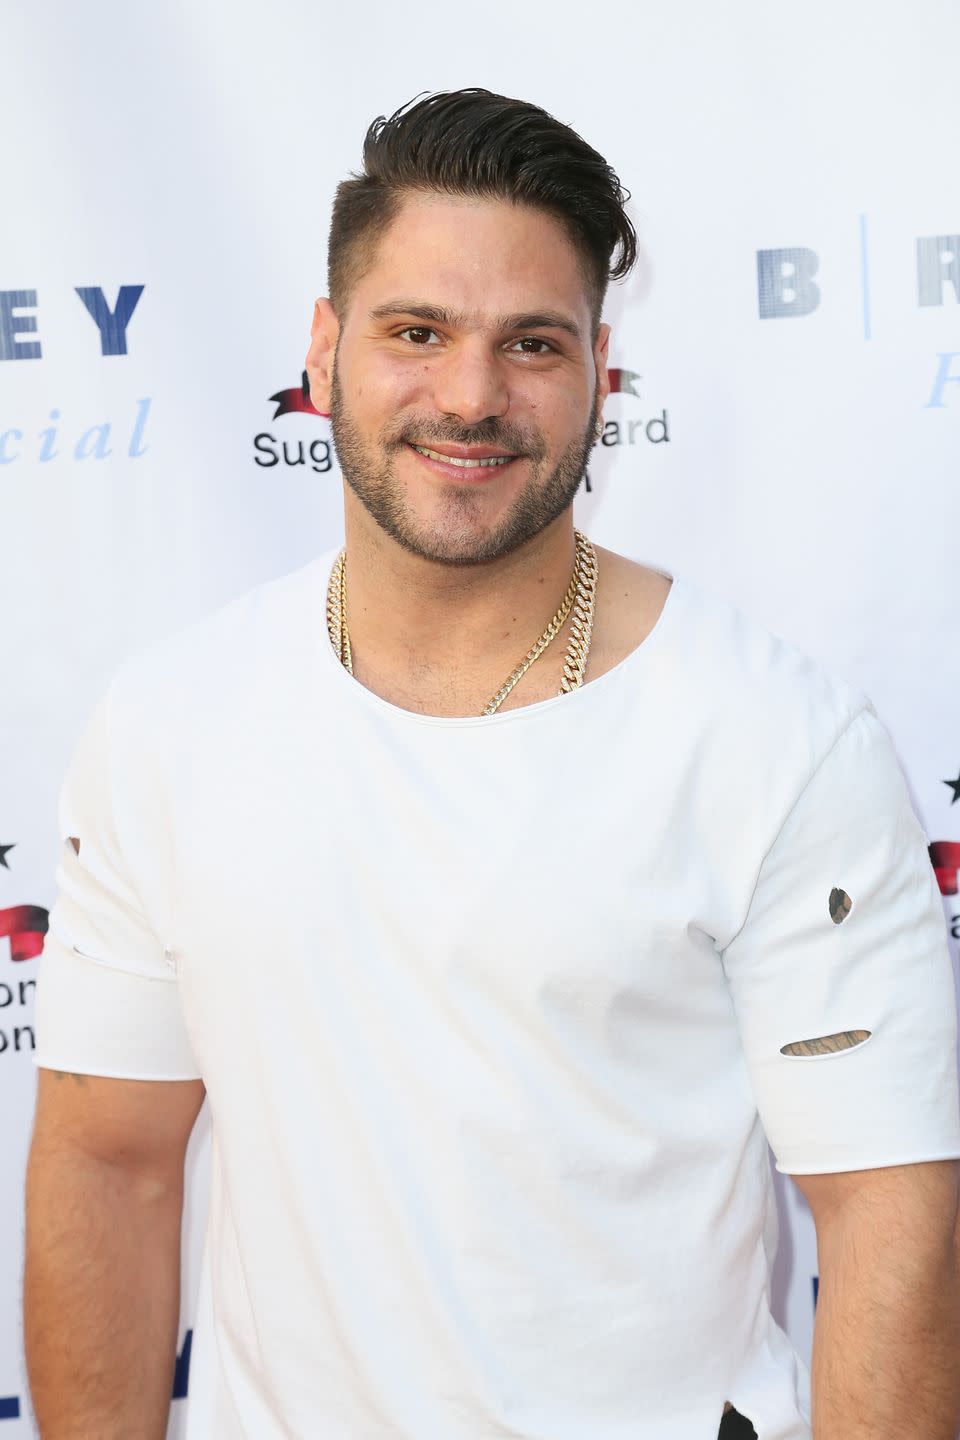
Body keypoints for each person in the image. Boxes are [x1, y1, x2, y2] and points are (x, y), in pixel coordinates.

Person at [23, 88, 960, 1440]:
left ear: (599, 368)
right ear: (324, 351)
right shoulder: (171, 722)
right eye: (417, 333)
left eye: (532, 343)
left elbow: (887, 1210)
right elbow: (109, 1165)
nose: (471, 396)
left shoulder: (779, 740)